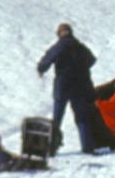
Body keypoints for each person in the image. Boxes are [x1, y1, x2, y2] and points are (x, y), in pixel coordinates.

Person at [37, 22, 98, 155]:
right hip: (79, 86)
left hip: (62, 86)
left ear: (59, 34)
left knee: (57, 119)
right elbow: (92, 60)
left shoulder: (58, 47)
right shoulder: (79, 46)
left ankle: (51, 149)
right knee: (82, 118)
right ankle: (88, 148)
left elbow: (46, 61)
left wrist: (41, 69)